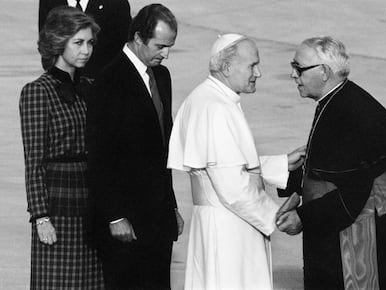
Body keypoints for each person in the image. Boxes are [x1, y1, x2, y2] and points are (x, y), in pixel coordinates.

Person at [167, 33, 305, 290]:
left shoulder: (208, 97)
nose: (259, 73)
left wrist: (280, 164)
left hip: (221, 221)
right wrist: (278, 216)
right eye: (253, 64)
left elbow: (221, 165)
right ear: (227, 67)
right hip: (228, 229)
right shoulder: (216, 109)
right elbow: (233, 187)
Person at [276, 36, 386, 289]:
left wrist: (303, 217)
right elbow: (327, 170)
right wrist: (292, 184)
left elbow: (353, 192)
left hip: (358, 238)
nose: (293, 75)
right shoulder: (338, 100)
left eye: (299, 68)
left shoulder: (349, 111)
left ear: (324, 72)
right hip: (341, 224)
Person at [87, 4, 183, 289]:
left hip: (158, 219)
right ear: (138, 38)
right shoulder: (108, 80)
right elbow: (99, 156)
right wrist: (115, 216)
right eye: (161, 46)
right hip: (125, 223)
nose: (166, 54)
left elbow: (161, 147)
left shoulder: (162, 77)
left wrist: (172, 206)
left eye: (170, 47)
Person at [19, 6, 103, 289]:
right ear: (58, 42)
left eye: (90, 42)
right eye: (78, 42)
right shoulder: (37, 91)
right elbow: (34, 160)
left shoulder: (90, 88)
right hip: (57, 209)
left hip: (91, 208)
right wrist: (40, 216)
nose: (86, 50)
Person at [38, 0, 131, 79]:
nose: (85, 51)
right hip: (59, 84)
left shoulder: (116, 3)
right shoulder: (49, 2)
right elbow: (46, 46)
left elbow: (124, 52)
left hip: (104, 84)